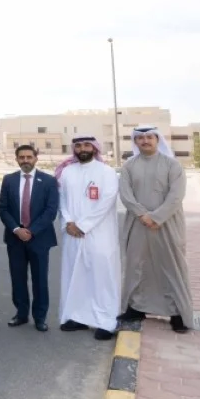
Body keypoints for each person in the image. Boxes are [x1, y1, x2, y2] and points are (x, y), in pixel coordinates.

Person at [119, 126, 191, 333]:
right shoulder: (129, 166)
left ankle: (177, 313)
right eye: (140, 138)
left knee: (171, 267)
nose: (145, 141)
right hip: (138, 223)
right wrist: (143, 215)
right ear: (136, 142)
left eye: (149, 137)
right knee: (137, 266)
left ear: (157, 140)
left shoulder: (172, 165)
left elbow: (176, 196)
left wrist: (157, 217)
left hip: (167, 225)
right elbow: (125, 194)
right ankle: (136, 308)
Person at [57, 136, 121, 341]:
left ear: (94, 148)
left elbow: (107, 201)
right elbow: (62, 200)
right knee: (76, 275)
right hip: (72, 234)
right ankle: (78, 317)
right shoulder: (67, 172)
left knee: (102, 276)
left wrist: (83, 225)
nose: (82, 149)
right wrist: (68, 222)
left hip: (99, 234)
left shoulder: (106, 172)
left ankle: (106, 321)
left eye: (86, 145)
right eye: (78, 145)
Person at [0, 144, 59, 331]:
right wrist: (16, 229)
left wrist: (31, 230)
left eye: (29, 157)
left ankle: (40, 317)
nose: (25, 160)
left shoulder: (48, 181)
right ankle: (21, 314)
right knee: (18, 278)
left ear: (35, 158)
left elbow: (51, 210)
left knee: (40, 279)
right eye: (21, 157)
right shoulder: (9, 180)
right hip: (15, 238)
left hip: (39, 238)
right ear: (16, 159)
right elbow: (3, 208)